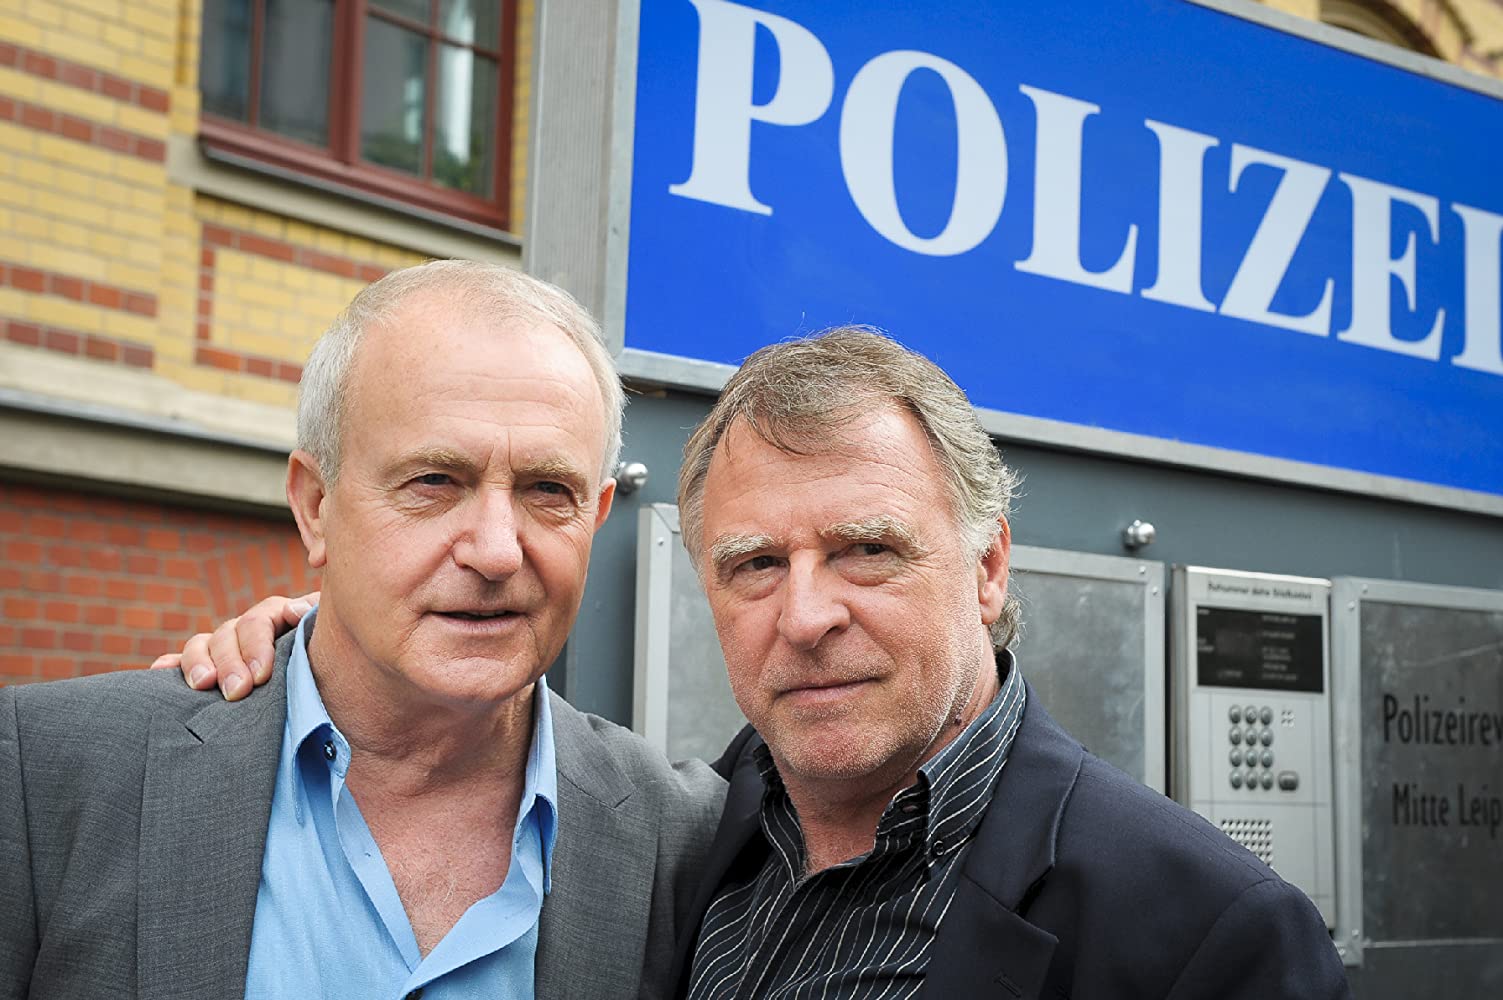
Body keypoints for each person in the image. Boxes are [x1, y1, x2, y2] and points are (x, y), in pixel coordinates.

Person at [161, 329, 1351, 998]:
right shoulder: (681, 838)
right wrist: (330, 645)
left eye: (867, 550)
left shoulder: (1208, 934)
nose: (807, 614)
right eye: (755, 564)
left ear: (988, 567)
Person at [0, 261, 723, 1000]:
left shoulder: (687, 840)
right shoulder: (50, 775)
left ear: (595, 515)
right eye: (434, 482)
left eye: (548, 490)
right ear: (315, 506)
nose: (497, 550)